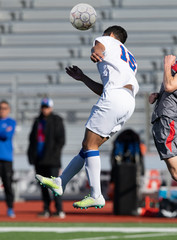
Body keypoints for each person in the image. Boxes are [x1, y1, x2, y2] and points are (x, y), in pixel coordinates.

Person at [35, 25, 139, 209]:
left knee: (89, 145)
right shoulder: (129, 59)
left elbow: (98, 46)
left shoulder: (107, 40)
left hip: (115, 98)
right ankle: (61, 181)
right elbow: (104, 89)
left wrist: (95, 51)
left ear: (112, 35)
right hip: (128, 102)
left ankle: (96, 195)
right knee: (89, 147)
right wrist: (83, 78)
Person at [27, 98, 66, 218]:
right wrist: (31, 155)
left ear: (51, 108)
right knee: (43, 186)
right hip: (39, 159)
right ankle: (46, 209)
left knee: (55, 185)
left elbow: (61, 140)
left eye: (47, 107)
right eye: (43, 107)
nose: (44, 109)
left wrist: (55, 154)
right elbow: (32, 139)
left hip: (52, 160)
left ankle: (59, 210)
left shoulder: (56, 120)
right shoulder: (37, 121)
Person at [149, 55, 177, 183]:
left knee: (175, 172)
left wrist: (166, 64)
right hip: (165, 119)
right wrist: (158, 96)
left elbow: (170, 86)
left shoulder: (170, 66)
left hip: (168, 121)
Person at [0, 100, 16, 218]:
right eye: (1, 108)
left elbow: (7, 135)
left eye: (5, 108)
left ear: (9, 110)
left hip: (6, 158)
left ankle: (10, 208)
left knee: (8, 184)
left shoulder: (11, 122)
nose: (2, 110)